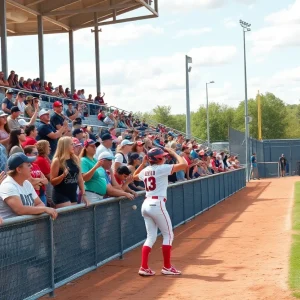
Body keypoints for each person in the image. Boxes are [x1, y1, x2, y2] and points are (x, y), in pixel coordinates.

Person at [133, 147, 187, 276]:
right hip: (157, 204)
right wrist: (174, 153)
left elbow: (134, 177)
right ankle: (167, 267)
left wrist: (142, 164)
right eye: (162, 156)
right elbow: (184, 165)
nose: (164, 158)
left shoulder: (146, 170)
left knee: (151, 237)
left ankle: (144, 267)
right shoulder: (161, 168)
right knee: (168, 235)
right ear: (158, 159)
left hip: (146, 204)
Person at [0, 153, 57, 220]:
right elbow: (20, 210)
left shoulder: (26, 183)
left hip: (26, 228)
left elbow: (39, 203)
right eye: (28, 165)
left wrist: (40, 209)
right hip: (10, 229)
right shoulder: (8, 185)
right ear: (19, 169)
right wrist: (43, 209)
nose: (32, 167)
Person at [50, 136, 89, 208]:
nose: (74, 146)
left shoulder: (75, 159)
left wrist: (84, 194)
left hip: (73, 194)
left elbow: (80, 179)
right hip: (61, 195)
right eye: (71, 144)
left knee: (73, 218)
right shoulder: (57, 161)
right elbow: (52, 181)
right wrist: (63, 175)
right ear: (65, 146)